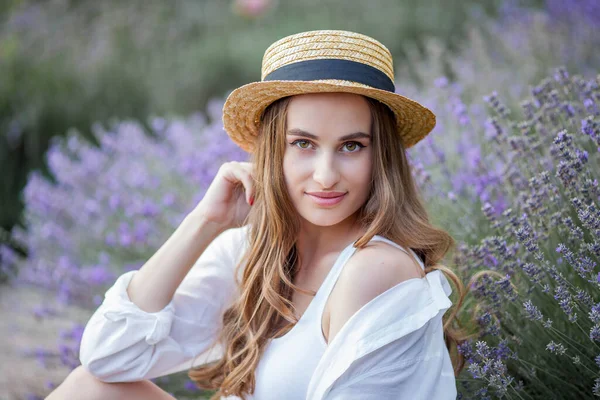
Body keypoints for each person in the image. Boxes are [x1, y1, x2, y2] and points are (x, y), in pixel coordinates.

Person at [47, 30, 467, 400]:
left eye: (351, 146)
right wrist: (204, 222)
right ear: (271, 153)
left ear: (381, 158)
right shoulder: (250, 253)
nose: (325, 176)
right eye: (303, 143)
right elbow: (107, 356)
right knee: (89, 388)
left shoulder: (375, 269)